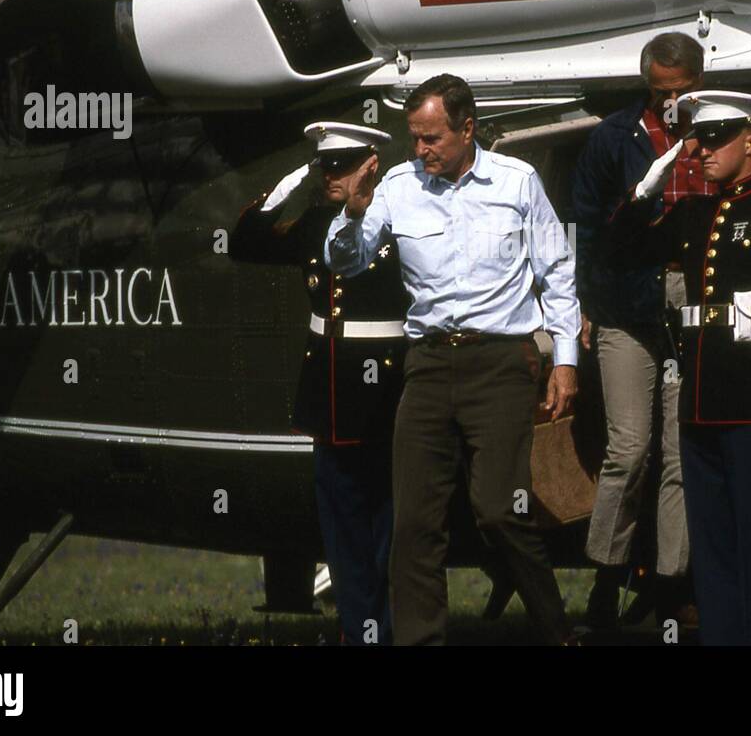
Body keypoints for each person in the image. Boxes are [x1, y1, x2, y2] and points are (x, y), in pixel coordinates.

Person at [324, 74, 580, 646]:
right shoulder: (397, 186)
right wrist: (354, 215)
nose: (420, 150)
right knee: (415, 521)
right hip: (429, 364)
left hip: (502, 362)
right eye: (414, 137)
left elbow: (556, 272)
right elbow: (347, 262)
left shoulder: (517, 182)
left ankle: (558, 632)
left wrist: (565, 360)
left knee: (498, 511)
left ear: (467, 129)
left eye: (432, 137)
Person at [609, 91, 751, 645]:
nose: (703, 151)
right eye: (698, 141)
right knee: (710, 545)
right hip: (700, 403)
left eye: (716, 139)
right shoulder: (693, 212)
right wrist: (645, 190)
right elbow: (618, 250)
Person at [230, 121, 409, 645]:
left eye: (341, 165)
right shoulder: (315, 222)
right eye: (324, 166)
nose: (331, 175)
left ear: (371, 164)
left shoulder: (399, 219)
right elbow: (244, 241)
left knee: (388, 524)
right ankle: (360, 633)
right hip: (328, 391)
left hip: (387, 387)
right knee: (342, 525)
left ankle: (391, 627)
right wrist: (295, 178)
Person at [571, 32, 709, 627]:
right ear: (646, 85)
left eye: (681, 92)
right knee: (628, 449)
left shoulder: (723, 131)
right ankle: (606, 576)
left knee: (683, 452)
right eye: (660, 93)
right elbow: (586, 224)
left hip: (694, 298)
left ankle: (672, 584)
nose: (671, 103)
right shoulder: (615, 136)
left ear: (698, 83)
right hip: (627, 300)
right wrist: (581, 302)